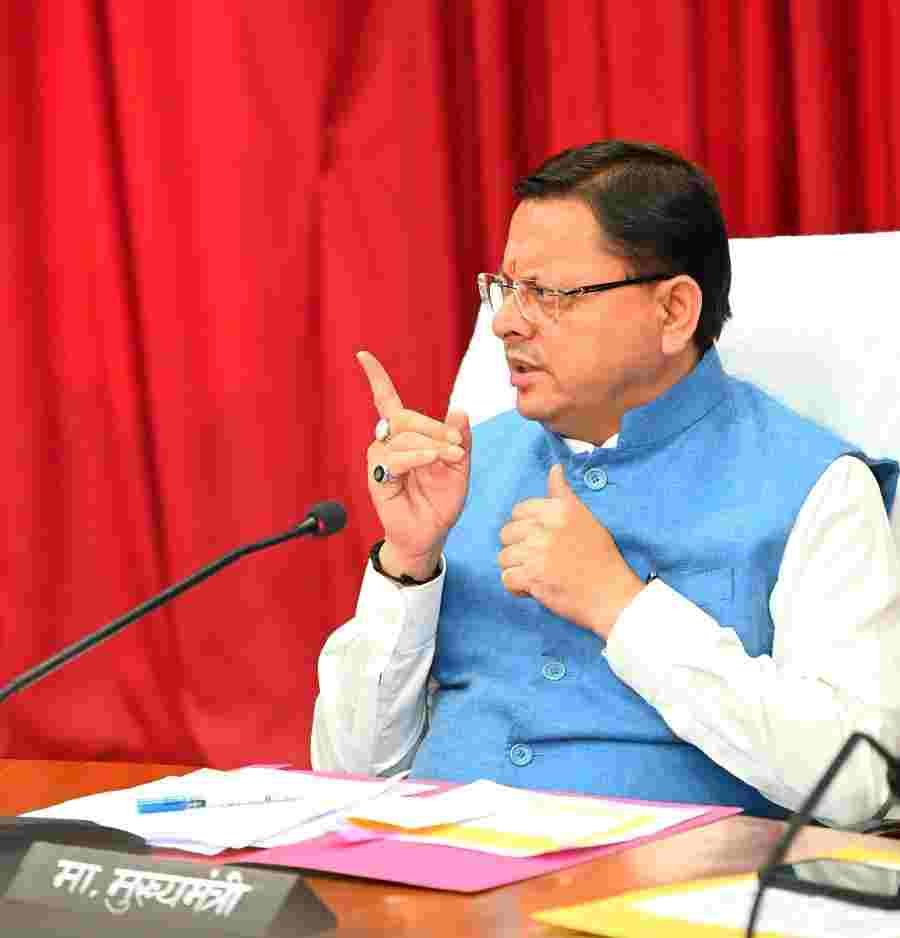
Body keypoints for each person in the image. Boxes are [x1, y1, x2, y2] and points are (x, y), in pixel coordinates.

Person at [311, 140, 900, 827]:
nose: (505, 322)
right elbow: (349, 773)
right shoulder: (463, 466)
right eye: (504, 288)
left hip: (668, 884)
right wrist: (407, 566)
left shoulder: (817, 486)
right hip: (432, 869)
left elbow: (860, 784)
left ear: (674, 312)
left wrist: (621, 607)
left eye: (547, 294)